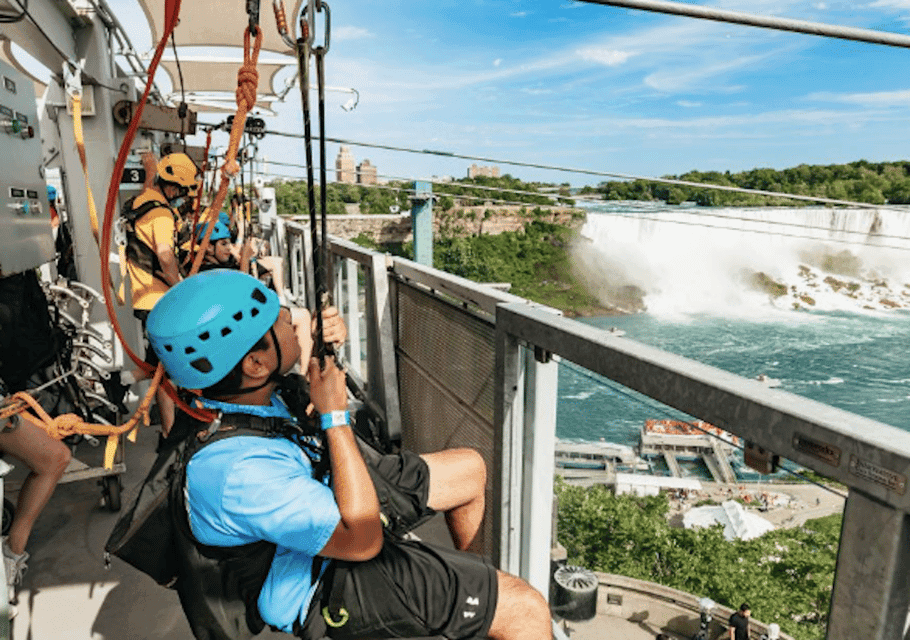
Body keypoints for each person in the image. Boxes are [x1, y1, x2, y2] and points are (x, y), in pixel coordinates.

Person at [145, 270, 552, 639]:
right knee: (524, 607)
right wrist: (335, 415)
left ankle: (468, 608)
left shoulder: (241, 399)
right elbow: (362, 540)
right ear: (254, 363)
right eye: (279, 318)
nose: (291, 318)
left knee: (468, 470)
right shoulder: (235, 472)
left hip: (319, 507)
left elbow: (298, 352)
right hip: (320, 582)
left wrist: (319, 345)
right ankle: (482, 606)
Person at [115, 152, 199, 437]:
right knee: (170, 366)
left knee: (164, 363)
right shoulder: (162, 214)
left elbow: (150, 185)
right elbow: (164, 255)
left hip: (143, 296)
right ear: (173, 187)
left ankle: (132, 382)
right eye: (182, 191)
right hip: (161, 298)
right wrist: (181, 287)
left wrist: (150, 163)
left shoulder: (144, 202)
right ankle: (169, 430)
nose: (182, 197)